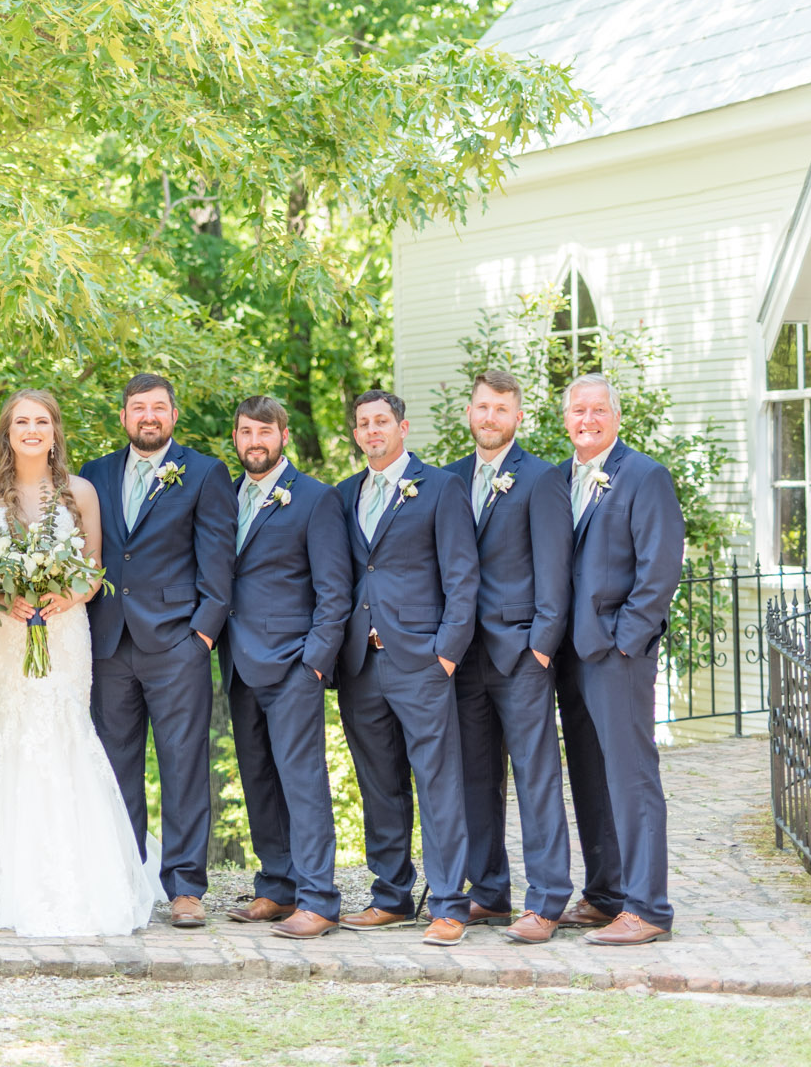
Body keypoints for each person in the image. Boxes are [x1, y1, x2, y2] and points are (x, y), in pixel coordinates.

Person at [0, 389, 157, 937]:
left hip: (64, 628)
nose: (31, 429)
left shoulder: (81, 492)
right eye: (21, 421)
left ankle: (77, 875)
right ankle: (1, 878)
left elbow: (95, 569)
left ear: (54, 431)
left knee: (63, 733)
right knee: (8, 734)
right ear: (7, 431)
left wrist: (65, 598)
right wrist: (4, 599)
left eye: (41, 421)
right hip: (3, 633)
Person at [79, 372, 235, 927]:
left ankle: (186, 887)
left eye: (159, 408)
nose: (149, 416)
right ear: (123, 416)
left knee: (183, 765)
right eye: (138, 407)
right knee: (114, 765)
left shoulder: (204, 472)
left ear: (174, 416)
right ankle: (126, 877)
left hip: (176, 643)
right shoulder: (92, 476)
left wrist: (202, 634)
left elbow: (219, 562)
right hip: (107, 641)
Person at [334, 389, 478, 944]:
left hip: (422, 660)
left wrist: (445, 653)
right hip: (361, 663)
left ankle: (448, 903)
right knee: (378, 784)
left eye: (382, 422)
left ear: (402, 427)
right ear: (356, 433)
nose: (373, 431)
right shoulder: (346, 496)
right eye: (364, 423)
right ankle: (390, 895)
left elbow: (462, 576)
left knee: (437, 782)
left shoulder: (441, 487)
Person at [555, 373, 685, 945]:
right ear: (566, 420)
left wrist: (626, 639)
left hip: (617, 655)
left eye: (598, 410)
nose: (588, 419)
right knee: (588, 774)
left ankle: (647, 906)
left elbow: (659, 570)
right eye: (578, 410)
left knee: (631, 777)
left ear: (616, 416)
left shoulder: (644, 476)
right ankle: (605, 893)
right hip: (569, 654)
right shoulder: (561, 479)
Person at [447, 369, 574, 942]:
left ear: (517, 417)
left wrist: (541, 649)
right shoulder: (447, 480)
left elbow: (556, 573)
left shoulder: (541, 480)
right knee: (475, 778)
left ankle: (546, 901)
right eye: (482, 407)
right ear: (469, 414)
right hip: (462, 658)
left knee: (536, 778)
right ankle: (489, 890)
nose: (490, 417)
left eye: (501, 408)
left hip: (521, 654)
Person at [220, 395, 351, 940]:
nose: (255, 440)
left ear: (283, 436)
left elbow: (334, 591)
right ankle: (277, 886)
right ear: (236, 438)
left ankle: (319, 898)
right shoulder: (224, 497)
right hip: (239, 662)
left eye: (264, 431)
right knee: (259, 781)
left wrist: (314, 664)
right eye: (246, 431)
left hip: (294, 664)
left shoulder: (315, 499)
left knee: (302, 783)